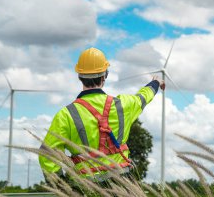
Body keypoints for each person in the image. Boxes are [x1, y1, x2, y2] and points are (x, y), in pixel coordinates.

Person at [38, 47, 165, 183]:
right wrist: (155, 82)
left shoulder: (65, 115)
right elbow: (143, 97)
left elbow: (47, 154)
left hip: (85, 188)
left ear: (79, 76)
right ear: (105, 75)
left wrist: (61, 185)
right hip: (123, 186)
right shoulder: (123, 105)